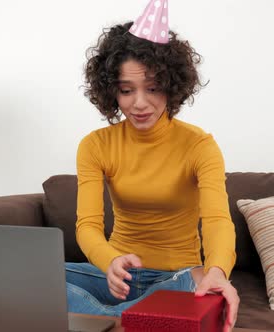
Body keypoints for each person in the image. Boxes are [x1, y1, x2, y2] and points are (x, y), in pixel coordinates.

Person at [66, 1, 239, 331]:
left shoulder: (199, 145)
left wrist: (217, 271)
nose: (139, 103)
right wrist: (111, 261)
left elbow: (217, 220)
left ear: (172, 86)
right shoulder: (95, 145)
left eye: (153, 88)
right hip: (116, 276)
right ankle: (135, 318)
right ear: (111, 90)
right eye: (126, 90)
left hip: (177, 278)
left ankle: (98, 319)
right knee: (32, 276)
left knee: (200, 280)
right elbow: (87, 225)